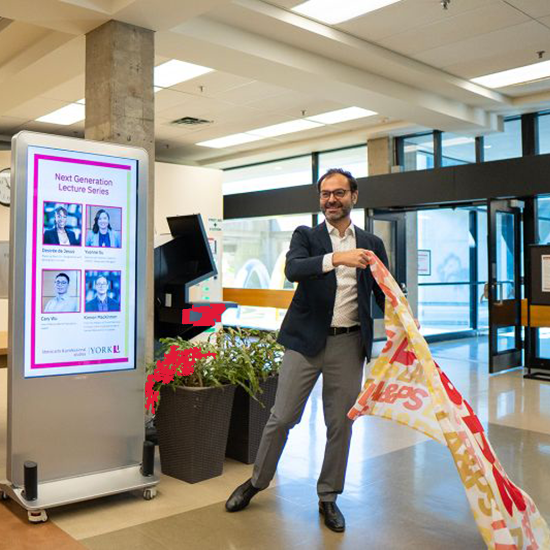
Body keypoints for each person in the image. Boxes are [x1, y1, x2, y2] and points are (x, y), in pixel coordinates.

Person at [225, 168, 389, 533]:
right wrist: (337, 259)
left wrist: (404, 316)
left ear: (354, 196)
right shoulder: (307, 236)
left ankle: (328, 496)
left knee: (340, 423)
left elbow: (384, 291)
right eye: (325, 194)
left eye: (339, 193)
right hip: (305, 342)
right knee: (282, 417)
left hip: (349, 343)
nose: (331, 199)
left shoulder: (372, 244)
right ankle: (256, 481)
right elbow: (293, 269)